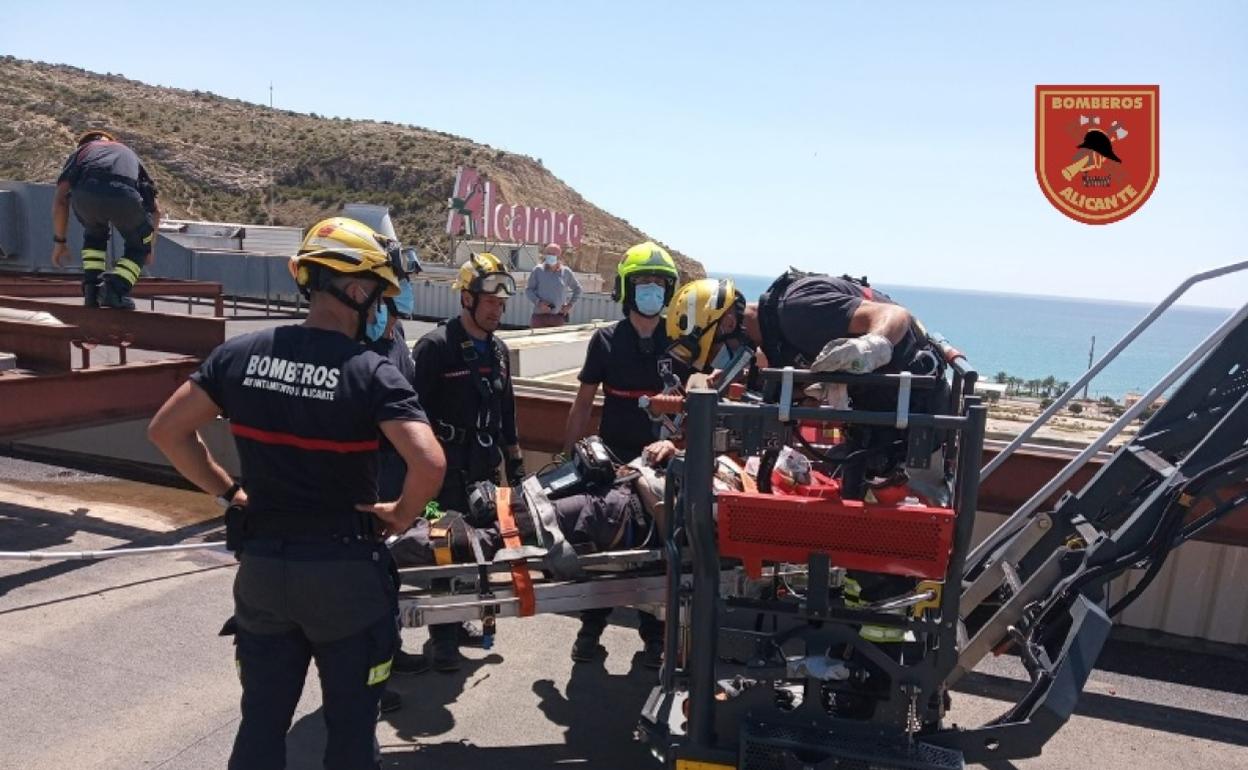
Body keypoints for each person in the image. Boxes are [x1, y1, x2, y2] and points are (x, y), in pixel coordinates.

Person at [147, 216, 446, 769]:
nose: (381, 308)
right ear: (355, 290)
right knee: (352, 731)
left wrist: (229, 492)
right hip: (345, 580)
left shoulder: (240, 355)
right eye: (379, 294)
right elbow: (429, 461)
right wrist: (401, 516)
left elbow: (167, 431)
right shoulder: (371, 372)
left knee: (261, 723)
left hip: (262, 572)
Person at [665, 272, 947, 498]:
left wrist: (871, 348)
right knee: (851, 498)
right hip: (877, 417)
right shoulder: (775, 344)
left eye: (716, 352)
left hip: (919, 412)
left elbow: (895, 316)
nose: (720, 363)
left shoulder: (798, 311)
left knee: (907, 507)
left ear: (727, 323)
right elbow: (805, 393)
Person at [562, 241, 688, 666]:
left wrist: (676, 444)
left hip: (661, 469)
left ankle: (653, 640)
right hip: (610, 465)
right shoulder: (605, 341)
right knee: (604, 555)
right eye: (643, 283)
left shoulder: (681, 346)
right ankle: (589, 632)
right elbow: (582, 404)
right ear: (626, 289)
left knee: (657, 555)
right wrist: (570, 459)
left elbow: (698, 406)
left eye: (659, 283)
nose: (651, 290)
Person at [401, 251, 527, 672]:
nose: (497, 310)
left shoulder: (500, 350)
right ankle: (442, 639)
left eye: (502, 304)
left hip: (483, 472)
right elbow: (413, 414)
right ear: (467, 300)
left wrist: (516, 463)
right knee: (443, 551)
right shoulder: (437, 347)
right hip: (444, 475)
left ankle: (459, 622)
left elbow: (507, 411)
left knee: (476, 552)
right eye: (490, 302)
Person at [50, 129, 162, 309]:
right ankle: (115, 290)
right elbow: (156, 210)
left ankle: (91, 292)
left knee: (94, 236)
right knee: (138, 247)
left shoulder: (81, 153)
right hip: (124, 196)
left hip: (86, 196)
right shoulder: (128, 153)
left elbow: (60, 200)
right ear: (111, 141)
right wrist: (147, 247)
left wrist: (60, 243)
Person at [525, 242, 582, 328]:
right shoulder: (538, 270)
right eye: (548, 253)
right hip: (539, 318)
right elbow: (529, 290)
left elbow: (578, 289)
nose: (550, 256)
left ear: (559, 256)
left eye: (553, 254)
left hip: (558, 318)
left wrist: (570, 305)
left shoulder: (566, 272)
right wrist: (539, 303)